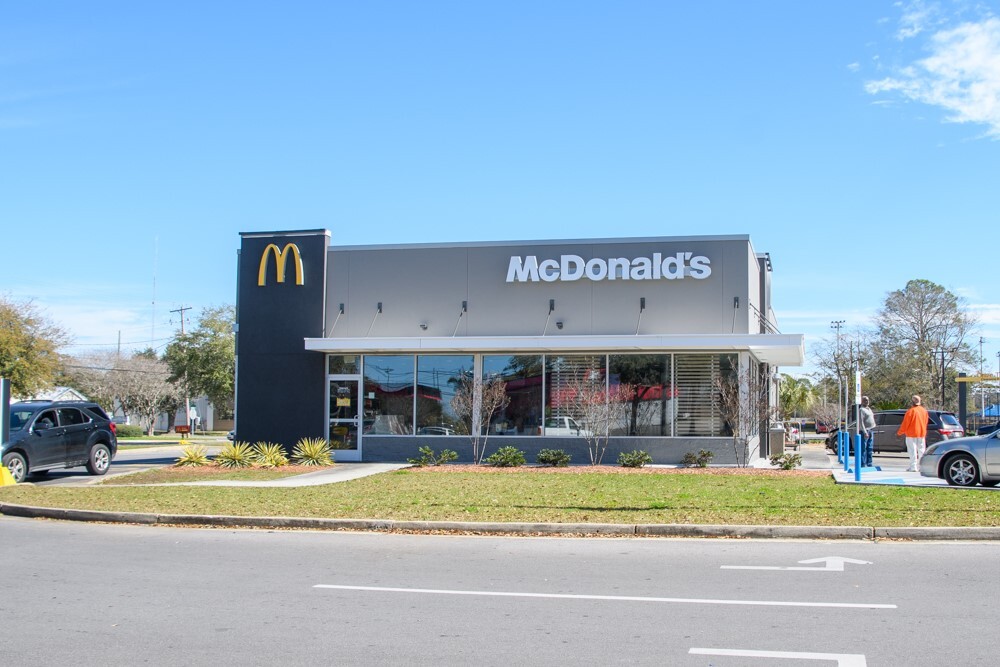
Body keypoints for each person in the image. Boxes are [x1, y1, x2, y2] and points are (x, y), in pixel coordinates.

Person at [897, 394, 929, 472]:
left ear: (912, 402)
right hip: (921, 433)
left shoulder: (911, 411)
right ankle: (922, 467)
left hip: (911, 434)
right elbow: (926, 422)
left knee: (912, 450)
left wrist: (899, 433)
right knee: (922, 450)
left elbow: (905, 423)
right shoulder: (924, 411)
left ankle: (913, 467)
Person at [858, 396, 876, 468]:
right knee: (863, 448)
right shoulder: (861, 410)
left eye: (868, 400)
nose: (867, 401)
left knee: (870, 447)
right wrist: (865, 431)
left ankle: (869, 463)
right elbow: (861, 422)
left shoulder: (869, 409)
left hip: (871, 430)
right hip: (865, 431)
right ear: (862, 401)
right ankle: (863, 463)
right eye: (865, 400)